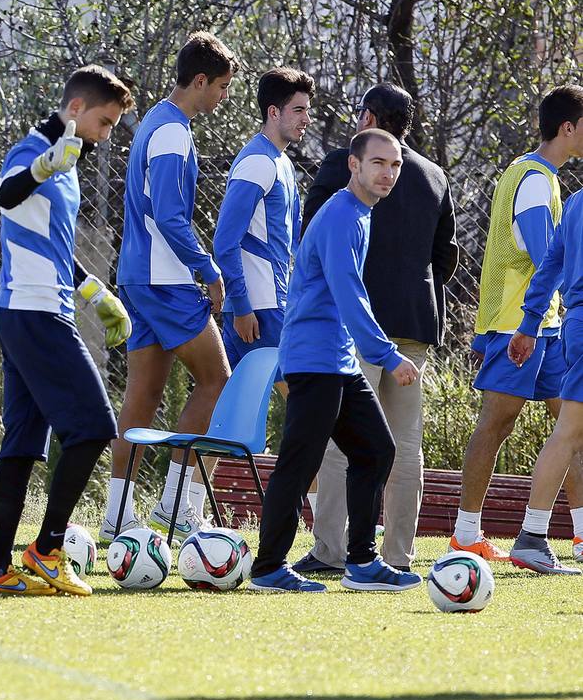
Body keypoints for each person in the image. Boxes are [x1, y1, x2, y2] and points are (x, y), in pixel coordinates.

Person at [0, 65, 134, 596]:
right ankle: (46, 550)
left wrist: (96, 294)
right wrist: (44, 165)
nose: (107, 133)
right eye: (105, 121)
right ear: (75, 110)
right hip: (34, 313)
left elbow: (51, 245)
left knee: (23, 443)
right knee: (93, 428)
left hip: (34, 311)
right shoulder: (36, 151)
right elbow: (6, 193)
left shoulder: (68, 164)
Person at [295, 82, 459, 574]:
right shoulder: (433, 175)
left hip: (356, 320)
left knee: (340, 437)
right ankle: (398, 555)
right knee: (406, 444)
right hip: (413, 321)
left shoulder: (342, 162)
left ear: (366, 117)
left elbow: (313, 237)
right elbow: (445, 256)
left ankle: (330, 550)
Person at [248, 129, 421, 593]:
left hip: (338, 362)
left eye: (395, 165)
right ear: (354, 165)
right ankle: (267, 567)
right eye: (378, 163)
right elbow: (349, 296)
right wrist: (386, 353)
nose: (388, 173)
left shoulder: (361, 215)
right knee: (299, 464)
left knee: (376, 450)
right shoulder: (343, 216)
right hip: (315, 361)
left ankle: (362, 563)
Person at [106, 31, 235, 543]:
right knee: (216, 379)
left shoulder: (156, 122)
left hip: (140, 276)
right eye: (222, 87)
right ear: (199, 81)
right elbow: (167, 213)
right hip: (165, 279)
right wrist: (207, 267)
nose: (223, 97)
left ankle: (118, 513)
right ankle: (177, 506)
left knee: (144, 392)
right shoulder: (173, 131)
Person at [448, 85, 583, 563]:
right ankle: (465, 534)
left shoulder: (543, 177)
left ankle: (579, 536)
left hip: (543, 324)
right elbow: (547, 255)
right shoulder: (533, 179)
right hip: (516, 325)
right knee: (496, 424)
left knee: (572, 426)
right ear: (568, 128)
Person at [505, 92, 583, 573]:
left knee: (571, 432)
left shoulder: (573, 204)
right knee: (569, 432)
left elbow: (549, 268)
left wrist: (530, 324)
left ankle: (535, 535)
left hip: (573, 324)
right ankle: (531, 536)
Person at [213, 68, 311, 368]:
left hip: (272, 303)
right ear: (273, 112)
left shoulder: (281, 161)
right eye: (298, 110)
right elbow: (225, 242)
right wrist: (242, 307)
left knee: (226, 400)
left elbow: (295, 239)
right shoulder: (257, 161)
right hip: (259, 309)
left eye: (307, 111)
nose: (306, 119)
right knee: (301, 393)